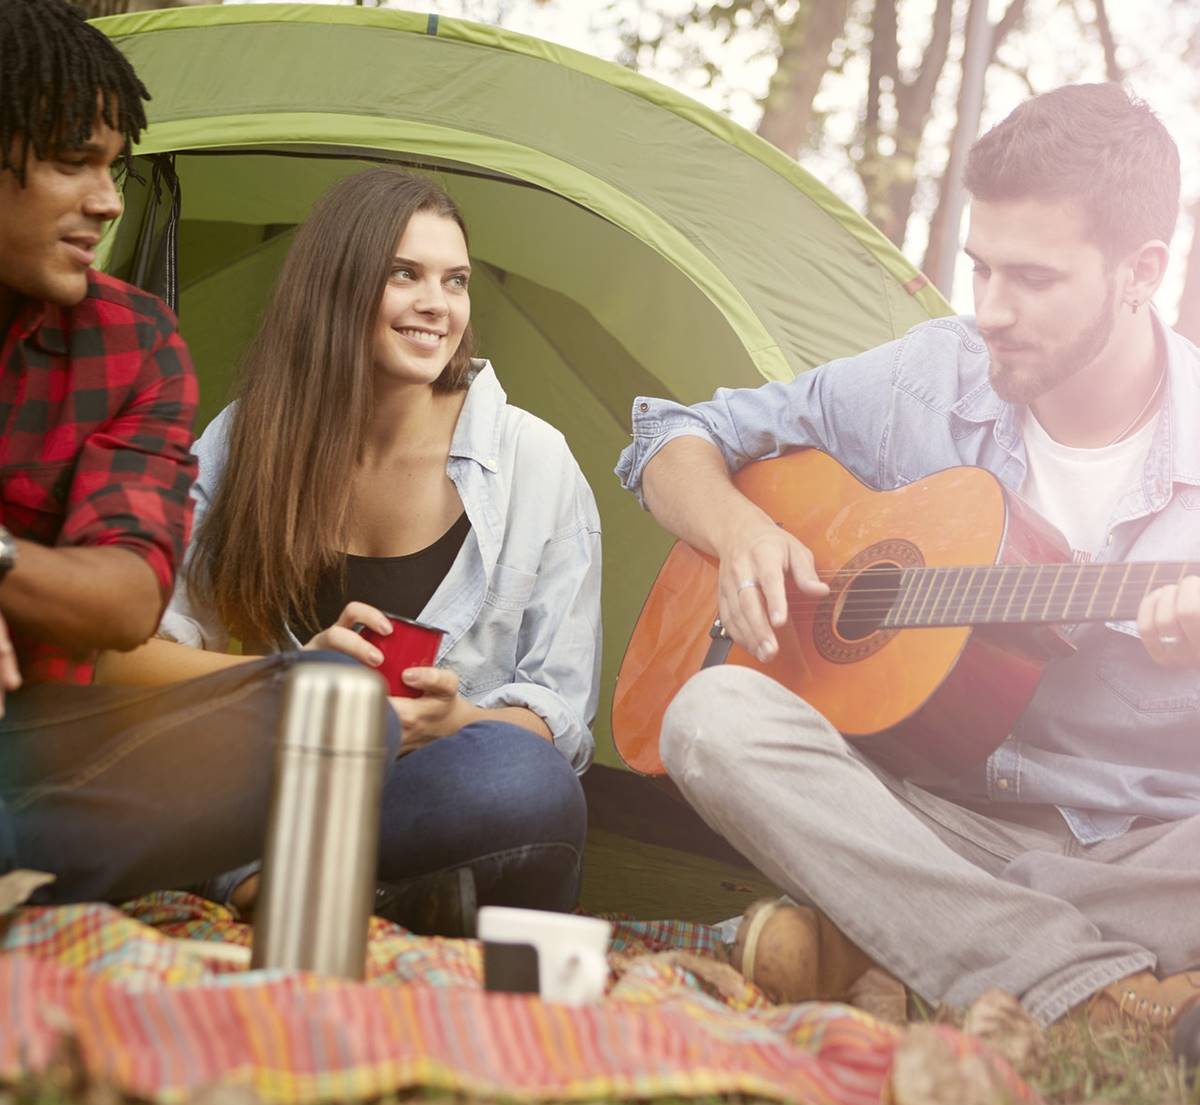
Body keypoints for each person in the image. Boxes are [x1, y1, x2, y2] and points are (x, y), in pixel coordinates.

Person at [616, 82, 1200, 1030]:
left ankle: (891, 943)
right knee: (709, 714)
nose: (993, 311)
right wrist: (741, 531)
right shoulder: (930, 377)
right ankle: (1093, 992)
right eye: (983, 270)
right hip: (916, 824)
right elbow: (672, 438)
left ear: (1140, 271)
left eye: (1035, 279)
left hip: (1137, 853)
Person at [99, 168, 601, 934]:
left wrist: (457, 719)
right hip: (283, 768)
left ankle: (266, 877)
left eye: (456, 281)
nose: (438, 305)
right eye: (406, 274)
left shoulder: (534, 459)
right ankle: (358, 896)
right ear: (337, 283)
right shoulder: (246, 439)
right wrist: (291, 680)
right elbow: (144, 646)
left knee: (525, 783)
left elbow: (559, 714)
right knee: (119, 741)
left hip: (441, 792)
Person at [0, 0, 324, 902]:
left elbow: (128, 597)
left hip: (46, 740)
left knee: (322, 703)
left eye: (115, 168)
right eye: (74, 165)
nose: (107, 203)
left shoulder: (133, 341)